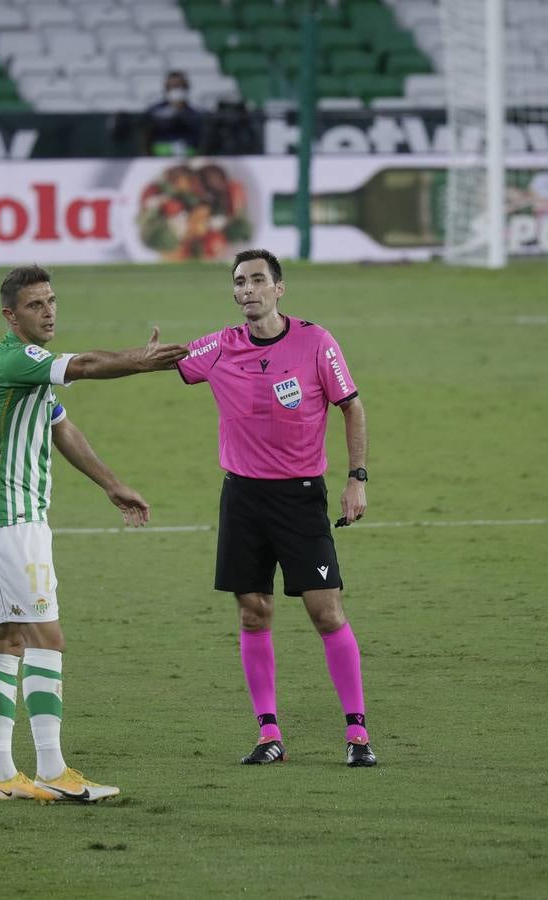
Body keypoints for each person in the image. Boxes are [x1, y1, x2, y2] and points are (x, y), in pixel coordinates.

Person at [0, 264, 188, 803]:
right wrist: (139, 361)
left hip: (8, 520)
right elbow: (87, 365)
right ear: (10, 315)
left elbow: (60, 425)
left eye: (51, 301)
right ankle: (53, 770)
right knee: (47, 637)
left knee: (7, 637)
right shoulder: (16, 360)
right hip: (8, 520)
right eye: (35, 305)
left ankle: (1, 775)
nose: (48, 313)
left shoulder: (32, 371)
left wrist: (112, 485)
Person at [176, 248, 377, 768]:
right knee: (253, 610)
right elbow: (168, 359)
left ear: (279, 288)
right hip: (243, 497)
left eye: (257, 280)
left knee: (325, 611)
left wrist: (356, 479)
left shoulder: (316, 341)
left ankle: (357, 733)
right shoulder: (220, 346)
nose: (247, 289)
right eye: (239, 281)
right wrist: (100, 365)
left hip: (301, 496)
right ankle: (269, 733)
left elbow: (351, 405)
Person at [143, 70, 202, 157]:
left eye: (179, 87)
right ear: (166, 90)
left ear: (186, 88)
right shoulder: (154, 111)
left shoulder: (196, 114)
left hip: (188, 156)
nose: (176, 90)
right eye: (172, 87)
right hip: (159, 156)